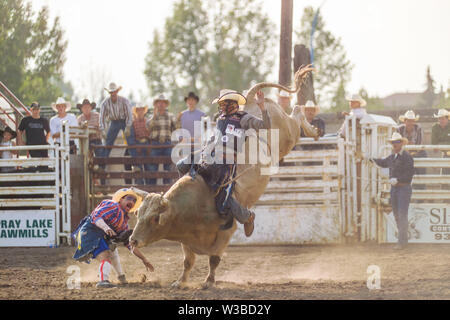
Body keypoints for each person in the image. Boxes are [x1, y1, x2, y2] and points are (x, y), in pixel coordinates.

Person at [176, 89, 269, 237]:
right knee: (181, 164)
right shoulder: (220, 119)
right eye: (221, 104)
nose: (221, 107)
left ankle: (247, 217)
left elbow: (265, 126)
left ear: (231, 104)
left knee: (220, 198)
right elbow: (214, 139)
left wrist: (262, 107)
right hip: (209, 157)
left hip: (225, 164)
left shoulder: (243, 118)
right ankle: (185, 195)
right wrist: (205, 151)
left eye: (223, 103)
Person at [72, 188, 153, 288]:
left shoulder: (123, 222)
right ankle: (103, 280)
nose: (131, 201)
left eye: (134, 200)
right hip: (89, 233)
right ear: (120, 200)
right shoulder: (113, 205)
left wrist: (144, 259)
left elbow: (129, 245)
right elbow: (96, 216)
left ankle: (121, 277)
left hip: (97, 235)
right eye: (129, 198)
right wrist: (106, 228)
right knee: (106, 254)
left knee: (112, 248)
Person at [370, 132, 415, 250]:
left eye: (396, 142)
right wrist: (371, 160)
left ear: (401, 143)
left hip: (403, 188)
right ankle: (403, 240)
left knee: (401, 214)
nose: (394, 145)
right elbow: (383, 162)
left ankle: (402, 241)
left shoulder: (407, 157)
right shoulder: (392, 157)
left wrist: (398, 179)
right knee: (397, 214)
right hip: (395, 189)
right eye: (393, 143)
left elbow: (409, 174)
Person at [146, 94, 176, 185]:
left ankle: (167, 189)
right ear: (156, 104)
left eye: (163, 102)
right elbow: (148, 127)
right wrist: (154, 116)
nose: (161, 104)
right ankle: (152, 190)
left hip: (167, 143)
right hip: (155, 143)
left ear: (166, 105)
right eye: (159, 102)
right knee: (152, 168)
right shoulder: (152, 117)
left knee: (168, 168)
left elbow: (176, 128)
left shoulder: (170, 116)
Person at [99, 82, 133, 160]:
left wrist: (128, 126)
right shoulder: (105, 103)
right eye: (111, 92)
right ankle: (102, 165)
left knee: (131, 142)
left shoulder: (124, 101)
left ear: (117, 91)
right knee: (108, 142)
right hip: (114, 122)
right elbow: (102, 117)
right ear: (109, 93)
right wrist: (102, 130)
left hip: (125, 121)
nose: (112, 93)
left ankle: (137, 166)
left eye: (114, 91)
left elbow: (129, 114)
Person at [17, 102, 51, 171]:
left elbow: (48, 132)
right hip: (32, 146)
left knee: (44, 165)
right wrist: (21, 141)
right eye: (34, 109)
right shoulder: (26, 120)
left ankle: (44, 180)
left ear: (39, 110)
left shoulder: (44, 120)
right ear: (31, 110)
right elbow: (19, 131)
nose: (35, 111)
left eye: (37, 109)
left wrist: (46, 141)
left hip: (43, 146)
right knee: (38, 161)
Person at [397, 110, 426, 189]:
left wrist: (408, 146)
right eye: (408, 121)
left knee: (423, 154)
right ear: (405, 121)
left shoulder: (418, 128)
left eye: (412, 121)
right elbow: (397, 144)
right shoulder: (399, 129)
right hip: (404, 153)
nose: (410, 123)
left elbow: (419, 143)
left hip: (416, 152)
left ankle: (421, 189)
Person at [128, 103, 151, 185]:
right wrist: (135, 146)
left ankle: (149, 187)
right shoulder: (133, 123)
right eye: (138, 110)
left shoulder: (148, 121)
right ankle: (139, 186)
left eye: (141, 110)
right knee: (138, 167)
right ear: (136, 112)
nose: (140, 112)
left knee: (148, 167)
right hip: (137, 144)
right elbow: (131, 136)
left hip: (147, 144)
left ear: (144, 111)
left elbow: (150, 134)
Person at [431, 109, 450, 187]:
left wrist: (441, 145)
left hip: (445, 153)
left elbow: (436, 145)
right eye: (439, 118)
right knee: (444, 177)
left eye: (442, 118)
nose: (441, 120)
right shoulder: (435, 127)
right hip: (445, 154)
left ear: (447, 118)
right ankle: (445, 197)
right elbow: (434, 144)